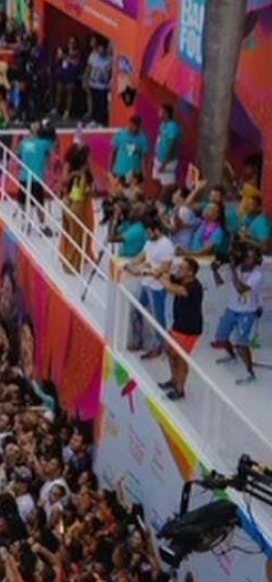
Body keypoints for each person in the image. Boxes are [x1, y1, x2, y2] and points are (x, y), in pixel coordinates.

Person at [124, 219, 176, 359]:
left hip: (157, 287)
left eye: (149, 232)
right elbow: (141, 257)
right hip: (146, 283)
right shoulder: (149, 242)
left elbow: (165, 268)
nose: (147, 235)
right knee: (136, 311)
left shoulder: (166, 245)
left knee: (158, 319)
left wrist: (142, 272)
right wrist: (128, 264)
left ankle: (159, 346)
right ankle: (138, 341)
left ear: (156, 230)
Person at [212, 247, 263, 385]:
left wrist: (233, 269)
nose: (247, 260)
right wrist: (215, 270)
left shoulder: (257, 274)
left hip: (247, 311)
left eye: (251, 257)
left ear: (257, 260)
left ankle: (250, 373)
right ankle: (232, 356)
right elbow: (219, 283)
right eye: (246, 256)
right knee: (221, 338)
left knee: (241, 344)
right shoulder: (236, 268)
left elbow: (241, 290)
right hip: (231, 309)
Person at [157, 258, 204, 401]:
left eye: (182, 268)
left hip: (189, 329)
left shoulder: (194, 287)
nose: (178, 270)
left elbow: (172, 288)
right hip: (178, 325)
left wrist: (160, 277)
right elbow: (167, 278)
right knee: (171, 353)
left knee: (181, 359)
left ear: (190, 272)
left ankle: (179, 389)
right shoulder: (181, 279)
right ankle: (173, 380)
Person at [58, 140, 95, 274]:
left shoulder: (78, 169)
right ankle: (72, 261)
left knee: (72, 231)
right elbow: (86, 188)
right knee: (77, 233)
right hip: (78, 204)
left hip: (72, 202)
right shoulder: (81, 171)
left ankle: (71, 256)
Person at [16, 121, 55, 233]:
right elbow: (53, 144)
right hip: (30, 177)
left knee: (34, 202)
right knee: (28, 201)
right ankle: (31, 222)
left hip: (31, 177)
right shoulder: (40, 143)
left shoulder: (29, 143)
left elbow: (18, 155)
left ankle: (36, 223)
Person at [111, 115, 149, 189]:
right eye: (131, 125)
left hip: (135, 173)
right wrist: (110, 167)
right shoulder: (120, 134)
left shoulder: (143, 138)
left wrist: (144, 174)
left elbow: (143, 158)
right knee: (120, 195)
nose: (132, 128)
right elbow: (113, 152)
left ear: (139, 126)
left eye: (134, 126)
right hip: (120, 171)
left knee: (134, 196)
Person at [153, 104, 181, 197]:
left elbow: (172, 146)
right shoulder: (162, 125)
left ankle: (165, 202)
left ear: (166, 113)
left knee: (167, 185)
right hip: (159, 159)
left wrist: (165, 163)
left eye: (161, 111)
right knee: (157, 181)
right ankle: (158, 200)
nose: (159, 113)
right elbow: (160, 141)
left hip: (168, 161)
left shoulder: (172, 127)